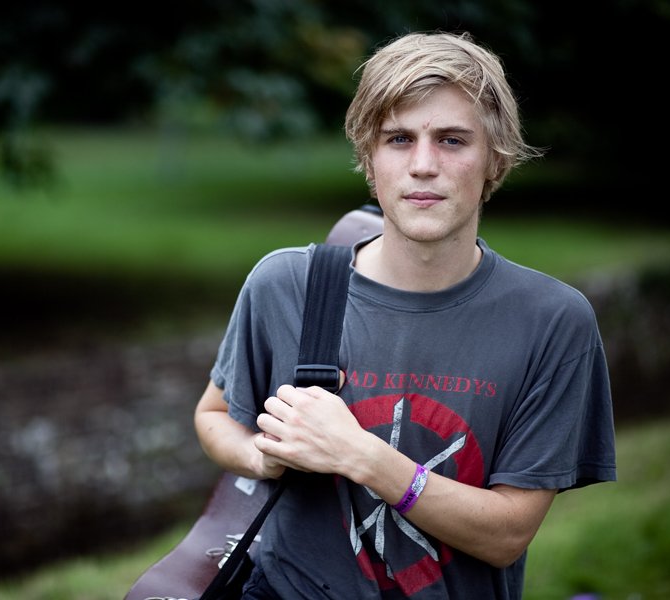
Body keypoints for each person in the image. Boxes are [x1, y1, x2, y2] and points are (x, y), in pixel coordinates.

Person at [194, 30, 616, 599]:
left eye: (451, 140)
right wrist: (260, 456)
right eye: (398, 139)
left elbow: (506, 535)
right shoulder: (287, 286)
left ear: (495, 159)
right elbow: (215, 415)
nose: (423, 165)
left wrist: (363, 456)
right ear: (369, 159)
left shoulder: (552, 321)